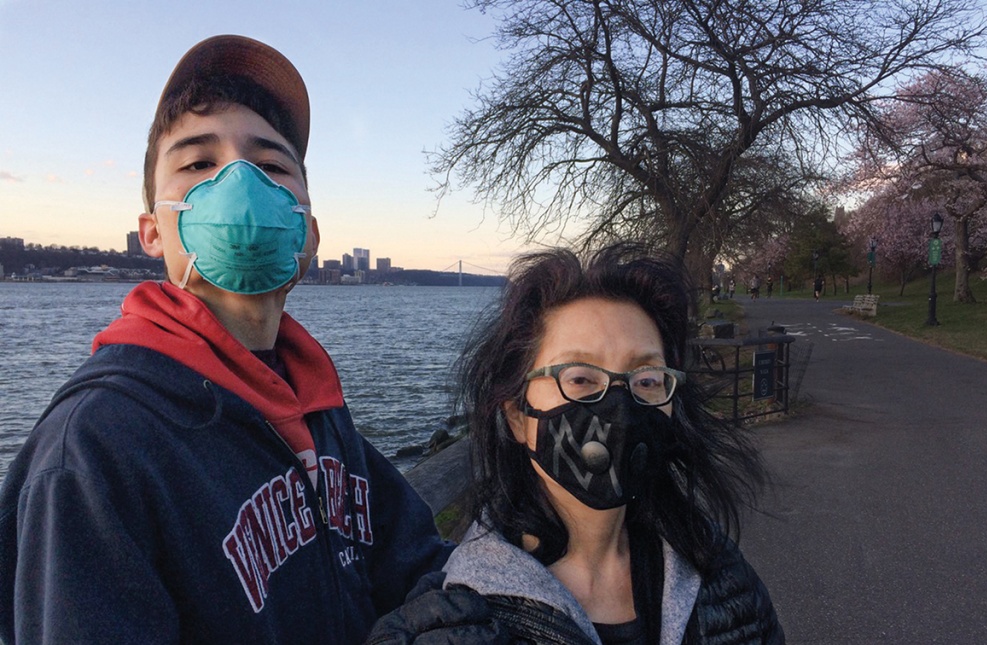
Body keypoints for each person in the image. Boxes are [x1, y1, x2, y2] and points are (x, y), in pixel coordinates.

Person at [0, 35, 451, 643]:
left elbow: (412, 555)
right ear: (152, 232)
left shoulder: (316, 400)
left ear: (309, 232)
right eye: (198, 164)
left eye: (271, 167)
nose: (239, 183)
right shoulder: (94, 450)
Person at [369, 244, 783, 643]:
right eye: (580, 378)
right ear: (517, 416)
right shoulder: (463, 622)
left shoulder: (720, 574)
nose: (620, 407)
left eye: (647, 379)